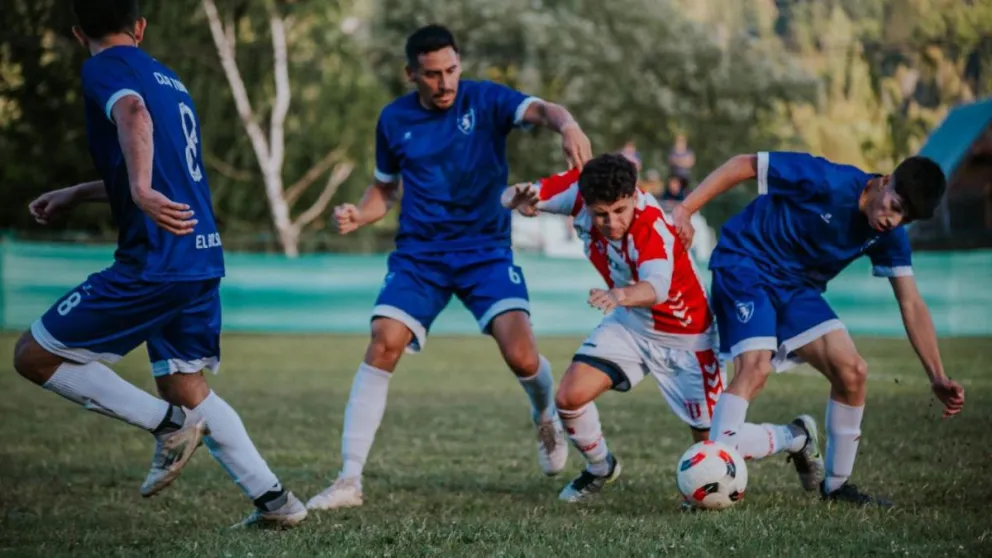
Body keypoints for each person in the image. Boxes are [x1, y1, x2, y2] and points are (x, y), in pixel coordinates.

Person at [12, 0, 306, 528]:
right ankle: (277, 502)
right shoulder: (167, 78)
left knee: (35, 355)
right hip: (199, 254)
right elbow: (157, 158)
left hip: (157, 260)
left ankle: (167, 426)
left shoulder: (104, 67)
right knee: (185, 384)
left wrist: (142, 190)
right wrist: (78, 192)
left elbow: (133, 118)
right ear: (140, 27)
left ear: (79, 34)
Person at [306, 24, 593, 511]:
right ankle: (349, 480)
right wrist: (360, 213)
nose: (445, 84)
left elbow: (542, 110)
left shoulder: (485, 100)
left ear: (460, 64)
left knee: (523, 357)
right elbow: (384, 189)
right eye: (433, 75)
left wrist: (567, 125)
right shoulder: (393, 119)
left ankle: (545, 415)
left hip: (485, 250)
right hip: (421, 255)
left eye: (452, 71)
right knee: (383, 341)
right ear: (411, 74)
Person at [502, 154, 821, 503]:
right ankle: (600, 468)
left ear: (634, 197)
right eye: (600, 214)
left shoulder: (651, 226)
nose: (610, 222)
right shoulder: (578, 191)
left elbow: (657, 289)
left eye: (619, 211)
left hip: (687, 337)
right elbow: (520, 195)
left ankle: (795, 436)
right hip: (631, 324)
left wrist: (619, 294)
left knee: (715, 446)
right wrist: (514, 200)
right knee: (568, 398)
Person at [673, 151, 967, 507]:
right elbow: (745, 164)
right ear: (886, 180)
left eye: (904, 217)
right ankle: (713, 480)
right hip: (745, 263)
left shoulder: (888, 235)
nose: (893, 219)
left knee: (853, 372)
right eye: (894, 205)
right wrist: (686, 209)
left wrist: (936, 374)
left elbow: (911, 303)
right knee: (755, 367)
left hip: (797, 289)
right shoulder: (828, 180)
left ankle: (834, 482)